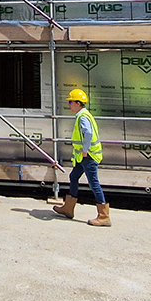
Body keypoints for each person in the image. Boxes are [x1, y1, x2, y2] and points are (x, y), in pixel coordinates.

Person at [53, 88, 111, 227]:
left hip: (88, 156)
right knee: (73, 177)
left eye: (71, 102)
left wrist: (85, 150)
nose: (69, 105)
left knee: (93, 184)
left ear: (78, 103)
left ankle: (104, 216)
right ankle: (68, 208)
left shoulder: (83, 117)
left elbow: (88, 133)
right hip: (82, 157)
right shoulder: (83, 115)